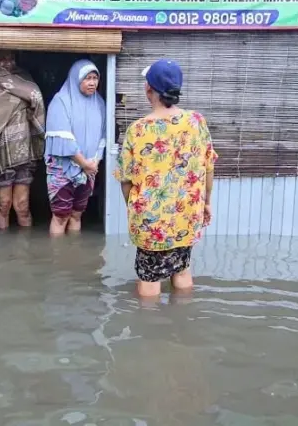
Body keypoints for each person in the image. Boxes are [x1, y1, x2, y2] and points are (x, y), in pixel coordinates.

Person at [115, 59, 217, 297]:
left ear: (148, 89)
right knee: (182, 271)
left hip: (150, 219)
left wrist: (135, 210)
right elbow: (208, 168)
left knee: (150, 280)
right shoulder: (196, 122)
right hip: (187, 215)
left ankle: (149, 331)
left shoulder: (138, 130)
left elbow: (125, 179)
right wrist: (206, 202)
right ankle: (181, 325)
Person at [45, 59, 106, 236]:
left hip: (89, 170)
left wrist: (94, 162)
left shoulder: (99, 103)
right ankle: (58, 259)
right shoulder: (60, 102)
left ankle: (72, 255)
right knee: (60, 216)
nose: (92, 82)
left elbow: (102, 137)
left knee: (76, 215)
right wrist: (84, 163)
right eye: (87, 78)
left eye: (95, 78)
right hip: (64, 170)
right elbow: (62, 139)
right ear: (76, 79)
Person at [0, 51, 45, 230]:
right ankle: (3, 253)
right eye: (2, 58)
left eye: (11, 57)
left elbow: (37, 100)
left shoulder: (25, 79)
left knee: (22, 206)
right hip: (2, 155)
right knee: (3, 205)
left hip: (23, 153)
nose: (8, 62)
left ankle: (24, 254)